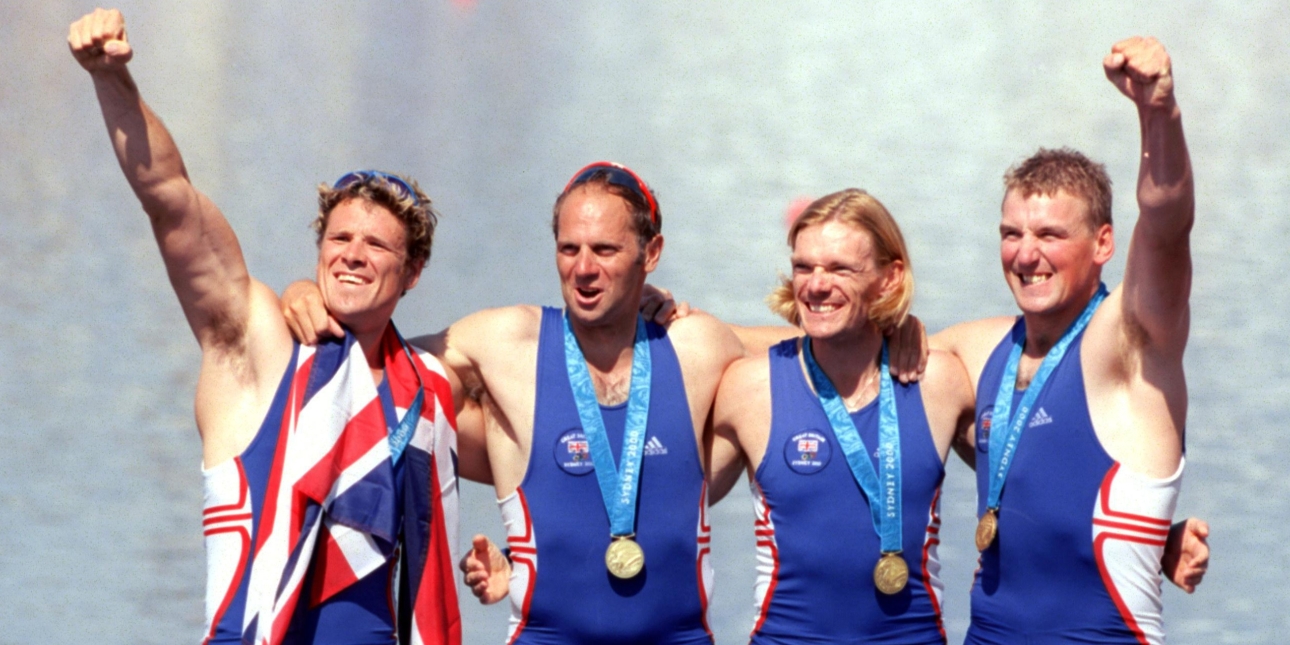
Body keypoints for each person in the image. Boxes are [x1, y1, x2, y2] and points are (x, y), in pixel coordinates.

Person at [69, 9, 499, 644]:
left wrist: (646, 307)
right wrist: (111, 79)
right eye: (339, 238)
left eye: (376, 245)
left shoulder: (431, 389)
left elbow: (554, 447)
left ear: (413, 272)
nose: (352, 254)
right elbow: (170, 198)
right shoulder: (259, 345)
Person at [285, 162, 746, 644]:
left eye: (605, 250)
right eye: (569, 249)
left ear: (650, 253)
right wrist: (303, 296)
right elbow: (372, 358)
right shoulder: (506, 342)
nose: (583, 268)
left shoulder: (695, 345)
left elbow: (807, 356)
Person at [930, 37, 1205, 643]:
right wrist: (668, 315)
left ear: (1104, 244)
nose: (1026, 255)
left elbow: (1166, 223)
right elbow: (837, 348)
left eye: (1050, 234)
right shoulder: (977, 352)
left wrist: (1157, 111)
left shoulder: (1132, 343)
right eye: (1011, 234)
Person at [710, 189, 976, 644]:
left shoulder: (940, 382)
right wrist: (649, 303)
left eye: (838, 268)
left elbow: (1028, 489)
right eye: (804, 267)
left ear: (889, 278)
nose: (815, 284)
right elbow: (664, 508)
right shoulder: (750, 389)